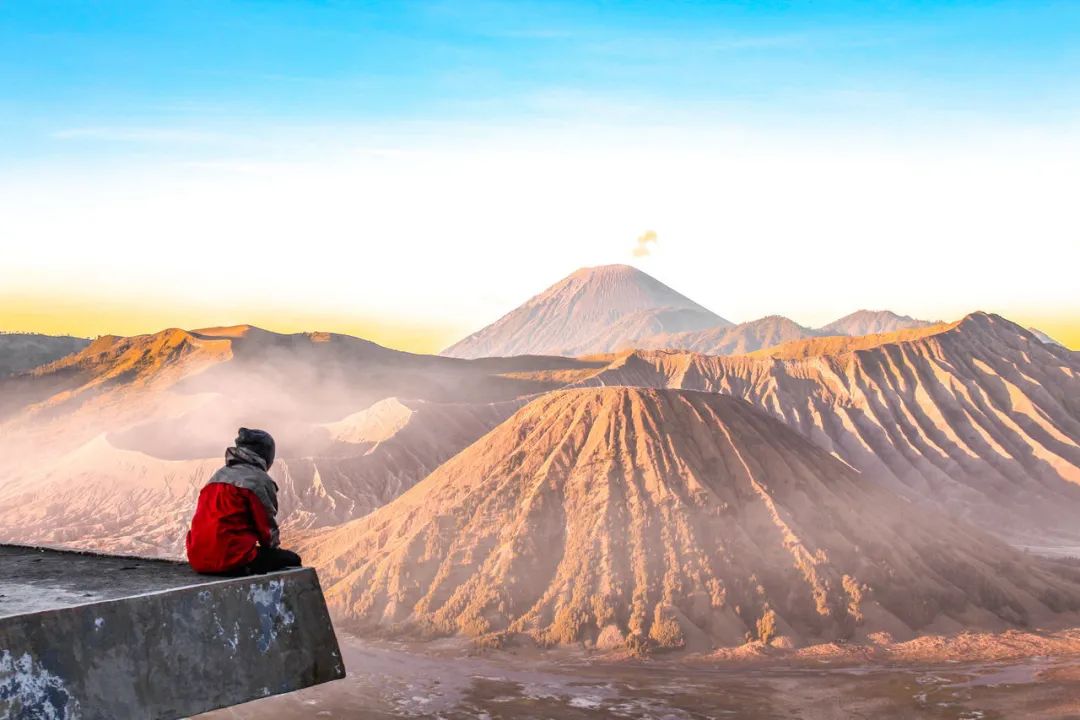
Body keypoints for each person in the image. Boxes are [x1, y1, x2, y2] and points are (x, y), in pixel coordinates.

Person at [186, 427, 302, 575]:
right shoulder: (258, 480)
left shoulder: (217, 477)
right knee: (292, 560)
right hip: (231, 560)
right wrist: (273, 552)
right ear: (267, 455)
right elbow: (266, 528)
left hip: (198, 560)